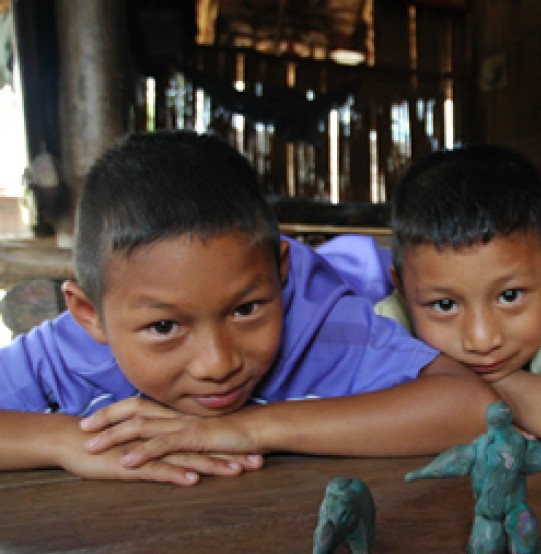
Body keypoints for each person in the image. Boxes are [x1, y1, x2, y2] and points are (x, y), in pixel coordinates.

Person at [0, 130, 497, 485]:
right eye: (165, 326)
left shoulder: (317, 322)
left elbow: (473, 407)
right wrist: (60, 441)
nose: (218, 364)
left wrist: (245, 429)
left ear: (280, 274)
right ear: (91, 316)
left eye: (245, 310)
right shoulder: (70, 350)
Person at [374, 144, 541, 453]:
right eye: (445, 305)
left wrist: (460, 387)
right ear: (403, 290)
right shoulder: (391, 315)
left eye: (509, 296)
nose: (482, 340)